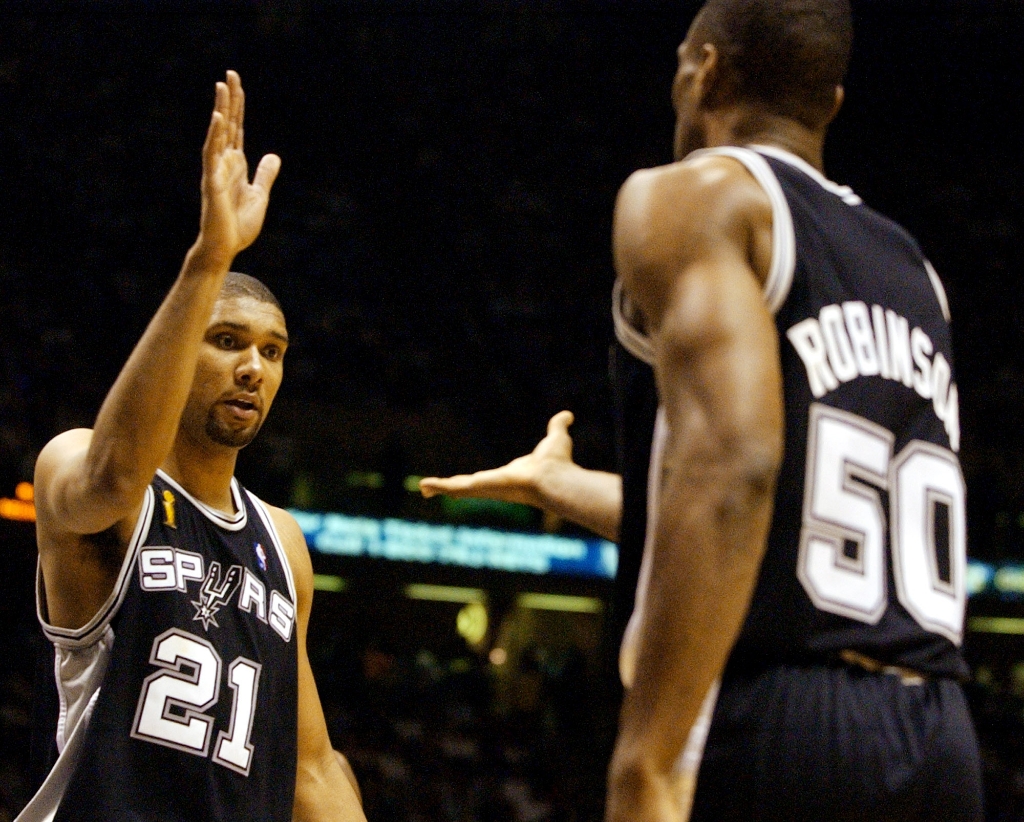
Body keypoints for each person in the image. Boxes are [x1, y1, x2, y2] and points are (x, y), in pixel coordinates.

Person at [421, 1, 983, 819]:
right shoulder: (912, 269)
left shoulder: (700, 197)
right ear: (830, 104)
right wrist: (562, 487)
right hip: (939, 735)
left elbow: (733, 470)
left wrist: (646, 756)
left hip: (784, 721)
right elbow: (794, 531)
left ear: (704, 69)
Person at [17, 72, 365, 821]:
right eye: (228, 340)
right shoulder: (80, 468)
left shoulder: (284, 543)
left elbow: (310, 767)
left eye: (272, 352)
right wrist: (209, 261)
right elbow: (111, 477)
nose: (253, 367)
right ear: (181, 347)